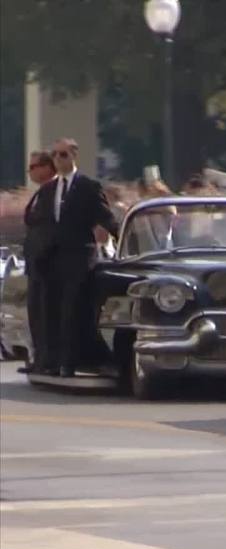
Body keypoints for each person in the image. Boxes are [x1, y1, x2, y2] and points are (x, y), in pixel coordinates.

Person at [31, 138, 119, 377]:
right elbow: (41, 223)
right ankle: (52, 361)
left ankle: (69, 364)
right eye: (55, 156)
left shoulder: (88, 186)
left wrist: (112, 233)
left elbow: (107, 216)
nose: (59, 160)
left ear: (73, 156)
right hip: (53, 260)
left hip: (79, 259)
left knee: (73, 312)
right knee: (53, 312)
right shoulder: (48, 189)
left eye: (63, 155)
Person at [18, 151, 58, 374]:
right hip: (34, 264)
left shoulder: (53, 192)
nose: (30, 172)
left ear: (46, 167)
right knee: (35, 312)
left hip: (47, 264)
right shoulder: (41, 193)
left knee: (45, 313)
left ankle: (48, 360)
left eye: (33, 167)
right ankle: (39, 358)